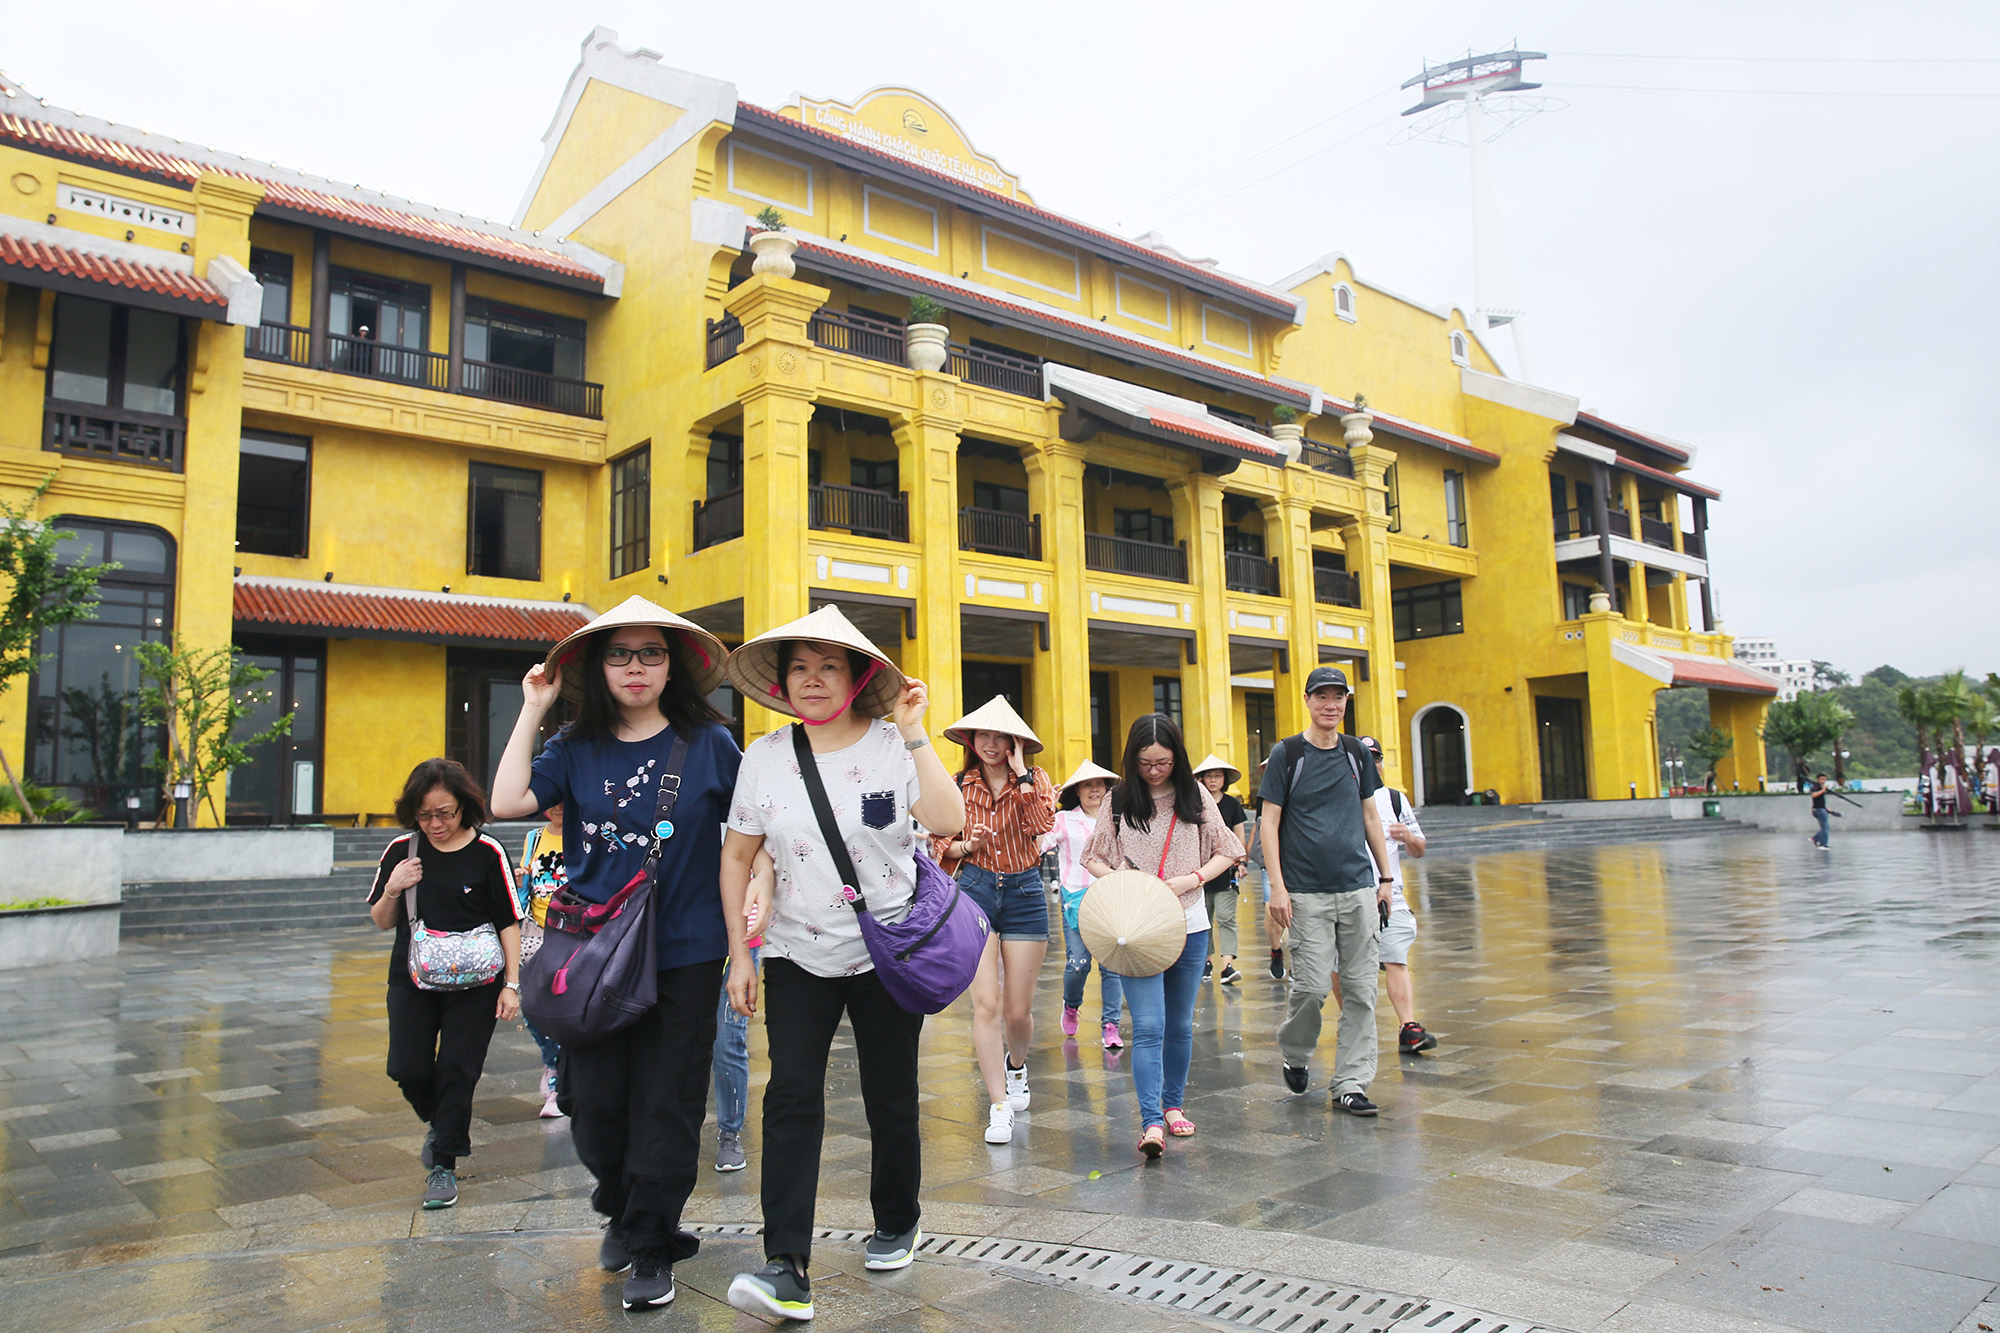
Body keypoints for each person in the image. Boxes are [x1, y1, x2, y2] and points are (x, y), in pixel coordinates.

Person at [490, 596, 740, 1311]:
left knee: (668, 1101)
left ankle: (652, 1244)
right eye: (620, 654)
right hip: (594, 951)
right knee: (590, 1103)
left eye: (650, 653)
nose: (636, 667)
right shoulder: (574, 747)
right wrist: (533, 705)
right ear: (597, 667)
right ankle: (623, 1204)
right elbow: (507, 800)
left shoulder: (711, 743)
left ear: (672, 666)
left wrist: (756, 907)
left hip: (687, 950)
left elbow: (753, 830)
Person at [719, 606, 966, 1323]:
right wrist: (742, 952)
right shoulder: (764, 756)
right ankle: (785, 1263)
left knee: (890, 1093)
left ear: (858, 680)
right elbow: (737, 857)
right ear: (783, 681)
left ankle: (898, 1218)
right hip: (797, 950)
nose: (813, 679)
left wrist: (919, 732)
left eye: (830, 666)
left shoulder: (894, 745)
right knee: (791, 1092)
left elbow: (948, 820)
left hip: (888, 951)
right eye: (800, 667)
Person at [1083, 714, 1243, 1159]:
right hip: (1135, 928)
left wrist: (1191, 879)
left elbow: (1229, 851)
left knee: (1178, 1025)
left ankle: (1173, 1105)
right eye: (1145, 763)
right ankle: (1151, 1119)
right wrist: (1118, 876)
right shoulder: (1118, 799)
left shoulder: (1194, 795)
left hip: (1189, 924)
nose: (1154, 771)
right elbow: (1092, 857)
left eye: (1163, 762)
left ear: (1177, 758)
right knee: (1149, 1026)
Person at [367, 758, 522, 1212]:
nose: (435, 824)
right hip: (413, 980)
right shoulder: (403, 849)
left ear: (464, 808)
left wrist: (511, 985)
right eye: (425, 814)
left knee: (458, 1069)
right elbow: (379, 920)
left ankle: (443, 1163)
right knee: (407, 1067)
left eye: (445, 813)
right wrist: (394, 887)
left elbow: (508, 921)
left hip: (477, 984)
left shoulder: (488, 851)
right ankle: (443, 1123)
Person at [1261, 666, 1395, 1118]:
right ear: (1308, 700)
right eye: (1322, 696)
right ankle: (1296, 1051)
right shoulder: (1289, 753)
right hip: (1306, 893)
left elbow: (1372, 819)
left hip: (1357, 888)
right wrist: (1277, 887)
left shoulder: (1356, 753)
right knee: (1313, 988)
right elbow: (1270, 823)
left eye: (1338, 697)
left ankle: (1351, 1084)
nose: (1330, 704)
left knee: (1360, 991)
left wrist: (1386, 879)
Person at [933, 696, 1056, 1145]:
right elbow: (938, 845)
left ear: (1014, 741)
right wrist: (970, 845)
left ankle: (1017, 1067)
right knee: (985, 1003)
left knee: (1017, 1012)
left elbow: (1043, 825)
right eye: (982, 735)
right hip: (975, 890)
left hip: (1024, 891)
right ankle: (998, 1104)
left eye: (999, 736)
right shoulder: (957, 785)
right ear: (970, 739)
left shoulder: (1036, 778)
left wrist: (1022, 775)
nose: (989, 743)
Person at [1335, 737, 1436, 1055]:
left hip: (1390, 892)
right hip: (1345, 891)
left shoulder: (1394, 799)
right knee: (1340, 964)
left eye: (1375, 759)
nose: (1371, 765)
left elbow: (1419, 848)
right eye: (1364, 759)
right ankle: (1351, 1024)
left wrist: (1407, 836)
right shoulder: (1337, 795)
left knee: (1396, 956)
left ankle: (1408, 1026)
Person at [1045, 759, 1125, 1050]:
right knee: (1078, 964)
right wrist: (1045, 810)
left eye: (1099, 785)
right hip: (1076, 899)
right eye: (1087, 785)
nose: (1094, 790)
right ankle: (1071, 1004)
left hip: (1111, 899)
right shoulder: (1064, 819)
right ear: (1077, 792)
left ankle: (1111, 1025)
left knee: (1112, 966)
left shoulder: (1119, 818)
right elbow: (1040, 843)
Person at [518, 805, 567, 1118]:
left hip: (572, 936)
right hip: (534, 935)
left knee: (565, 1011)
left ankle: (559, 1081)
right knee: (532, 1009)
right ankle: (554, 1063)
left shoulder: (584, 835)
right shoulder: (534, 838)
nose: (557, 806)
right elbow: (527, 883)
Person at [1191, 755, 1249, 985]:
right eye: (1209, 776)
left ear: (1224, 779)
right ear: (1202, 779)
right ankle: (1206, 961)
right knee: (1203, 919)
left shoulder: (1232, 804)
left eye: (1217, 776)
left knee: (1226, 918)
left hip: (1226, 871)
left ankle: (1227, 965)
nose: (1213, 780)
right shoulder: (1195, 804)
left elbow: (1239, 834)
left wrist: (1241, 861)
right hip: (1200, 871)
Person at [1808, 772, 1832, 850]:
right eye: (1821, 779)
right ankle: (1823, 844)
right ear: (1818, 779)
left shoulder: (1821, 787)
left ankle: (1815, 838)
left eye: (1824, 779)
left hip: (1822, 808)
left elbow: (1820, 800)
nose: (1823, 781)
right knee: (1825, 827)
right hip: (1818, 810)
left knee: (1826, 827)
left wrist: (1826, 808)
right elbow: (1814, 795)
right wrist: (1823, 790)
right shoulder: (1816, 787)